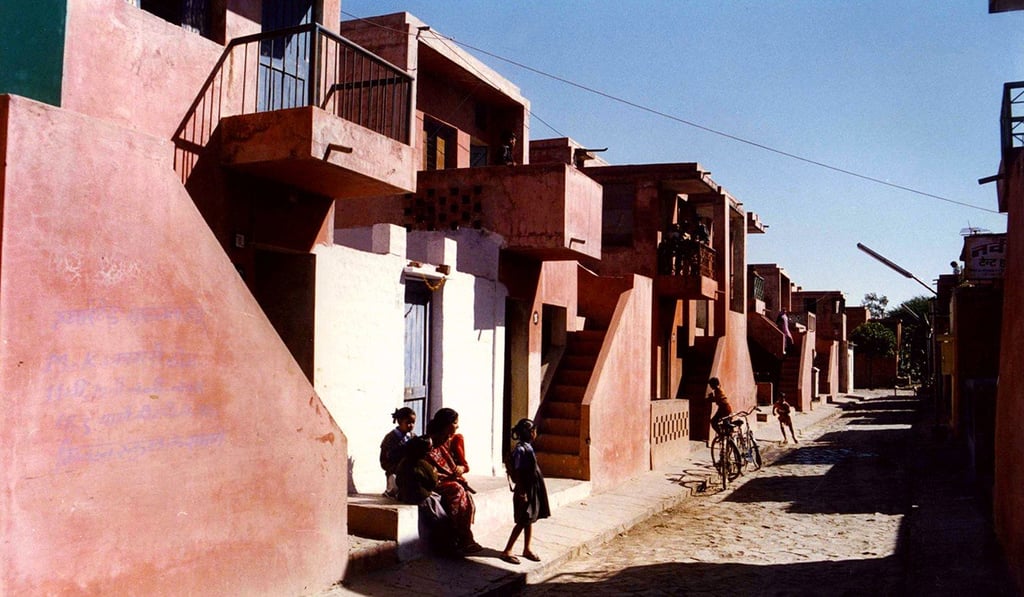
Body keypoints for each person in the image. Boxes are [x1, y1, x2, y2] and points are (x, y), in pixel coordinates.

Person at [426, 408, 481, 554]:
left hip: (448, 479)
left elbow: (460, 465)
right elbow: (429, 468)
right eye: (455, 423)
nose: (457, 426)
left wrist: (459, 472)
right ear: (447, 424)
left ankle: (464, 538)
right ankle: (459, 538)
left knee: (462, 492)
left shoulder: (451, 440)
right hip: (432, 481)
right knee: (456, 490)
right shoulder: (431, 442)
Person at [500, 418, 550, 565]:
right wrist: (522, 491)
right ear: (529, 432)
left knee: (529, 519)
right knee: (523, 520)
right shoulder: (521, 450)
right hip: (525, 490)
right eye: (533, 430)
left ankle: (526, 548)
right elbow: (518, 471)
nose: (535, 433)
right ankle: (507, 550)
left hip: (531, 488)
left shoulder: (527, 447)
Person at [379, 407, 416, 497]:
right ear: (399, 422)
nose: (411, 425)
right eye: (408, 423)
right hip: (394, 472)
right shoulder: (390, 439)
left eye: (413, 423)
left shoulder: (413, 437)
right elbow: (384, 460)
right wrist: (396, 468)